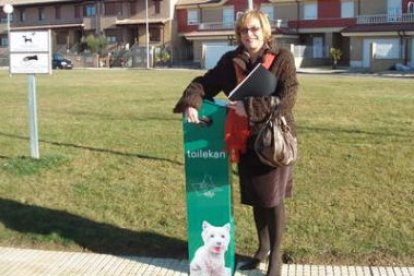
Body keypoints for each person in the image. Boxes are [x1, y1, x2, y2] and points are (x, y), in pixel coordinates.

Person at [173, 10, 298, 276]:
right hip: (245, 141)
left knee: (273, 200)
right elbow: (204, 83)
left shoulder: (282, 58)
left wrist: (248, 107)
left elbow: (287, 98)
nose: (249, 35)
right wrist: (192, 102)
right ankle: (261, 250)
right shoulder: (231, 61)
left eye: (254, 29)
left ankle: (274, 258)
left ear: (265, 31)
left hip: (274, 140)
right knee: (257, 198)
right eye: (244, 31)